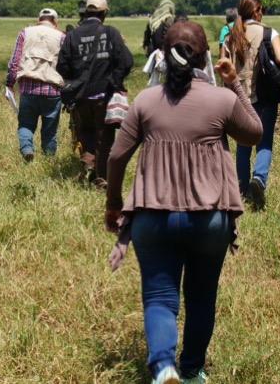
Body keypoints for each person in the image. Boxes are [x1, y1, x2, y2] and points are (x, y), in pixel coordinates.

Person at [105, 22, 262, 384]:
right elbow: (254, 133)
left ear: (161, 54)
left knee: (160, 298)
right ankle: (191, 369)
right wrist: (234, 83)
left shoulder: (145, 101)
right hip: (208, 221)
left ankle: (163, 368)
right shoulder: (221, 100)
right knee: (202, 296)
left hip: (152, 219)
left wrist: (114, 203)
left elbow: (115, 158)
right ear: (206, 57)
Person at [56, 0, 133, 190]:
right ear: (104, 13)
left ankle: (89, 164)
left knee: (85, 131)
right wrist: (114, 81)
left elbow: (62, 66)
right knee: (104, 137)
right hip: (104, 96)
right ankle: (101, 180)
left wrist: (76, 78)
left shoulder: (73, 35)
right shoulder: (111, 33)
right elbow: (126, 61)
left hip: (80, 97)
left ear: (86, 13)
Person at [222, 0, 280, 210]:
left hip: (237, 98)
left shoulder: (230, 36)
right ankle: (259, 178)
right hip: (263, 96)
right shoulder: (268, 32)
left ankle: (243, 190)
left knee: (243, 144)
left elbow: (223, 65)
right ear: (257, 11)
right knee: (264, 141)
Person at [5, 8, 66, 161]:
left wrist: (10, 83)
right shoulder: (62, 36)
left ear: (39, 19)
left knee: (25, 124)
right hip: (52, 91)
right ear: (55, 21)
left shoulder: (24, 32)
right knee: (50, 131)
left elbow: (14, 61)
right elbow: (66, 65)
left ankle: (27, 150)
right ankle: (48, 159)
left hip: (27, 89)